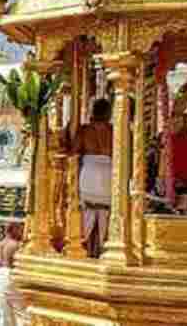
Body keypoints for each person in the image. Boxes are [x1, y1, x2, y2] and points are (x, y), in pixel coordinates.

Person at [77, 98, 114, 257]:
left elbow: (75, 149)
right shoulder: (114, 130)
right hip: (108, 173)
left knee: (88, 211)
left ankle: (86, 247)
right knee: (106, 212)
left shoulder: (85, 130)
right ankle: (102, 249)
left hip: (89, 173)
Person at [0, 225, 24, 326]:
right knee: (20, 311)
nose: (22, 231)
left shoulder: (1, 244)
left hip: (1, 274)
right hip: (11, 275)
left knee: (4, 312)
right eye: (20, 229)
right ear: (13, 229)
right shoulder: (16, 245)